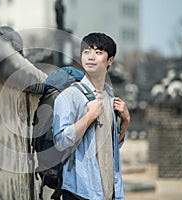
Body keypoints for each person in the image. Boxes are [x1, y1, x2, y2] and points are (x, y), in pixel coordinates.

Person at [53, 32, 130, 200]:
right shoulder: (70, 95)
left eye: (98, 52)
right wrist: (89, 117)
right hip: (79, 192)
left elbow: (110, 146)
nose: (91, 57)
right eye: (86, 51)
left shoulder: (110, 99)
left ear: (110, 60)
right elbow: (60, 142)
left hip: (108, 192)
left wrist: (125, 122)